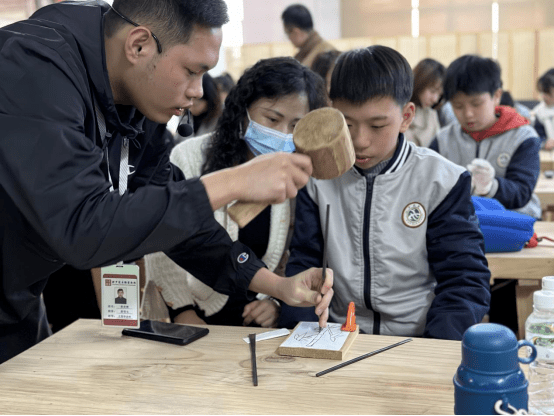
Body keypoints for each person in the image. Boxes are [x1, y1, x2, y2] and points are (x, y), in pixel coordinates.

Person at [0, 0, 333, 364]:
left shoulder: (138, 97)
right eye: (191, 71)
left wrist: (276, 286)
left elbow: (180, 222)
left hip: (19, 298)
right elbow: (81, 227)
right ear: (139, 45)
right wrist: (232, 183)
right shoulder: (35, 68)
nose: (198, 91)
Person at [280, 45, 491, 341]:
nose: (360, 141)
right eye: (347, 124)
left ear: (406, 116)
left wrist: (434, 348)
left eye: (377, 125)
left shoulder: (440, 180)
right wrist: (301, 335)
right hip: (334, 334)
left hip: (417, 337)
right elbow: (305, 261)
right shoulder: (318, 177)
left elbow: (464, 281)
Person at [142, 57, 328, 327]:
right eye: (272, 118)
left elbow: (291, 256)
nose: (282, 134)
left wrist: (274, 301)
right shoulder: (189, 157)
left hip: (253, 322)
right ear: (243, 111)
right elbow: (165, 241)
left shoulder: (296, 171)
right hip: (194, 313)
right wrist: (181, 309)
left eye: (295, 125)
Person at [429, 55, 542, 220]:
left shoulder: (523, 138)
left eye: (476, 104)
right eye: (458, 106)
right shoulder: (443, 140)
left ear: (496, 96)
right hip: (461, 228)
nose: (468, 114)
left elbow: (522, 193)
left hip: (513, 225)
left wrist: (491, 186)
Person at [404, 58, 445, 148]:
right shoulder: (397, 108)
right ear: (420, 83)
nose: (435, 99)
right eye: (432, 91)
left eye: (439, 95)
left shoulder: (431, 115)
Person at [281, 4, 337, 68]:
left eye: (287, 33)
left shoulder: (324, 55)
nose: (289, 38)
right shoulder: (305, 53)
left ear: (296, 32)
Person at [174, 72, 222, 144]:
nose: (191, 108)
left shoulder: (220, 117)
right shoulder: (184, 114)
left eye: (196, 105)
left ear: (210, 102)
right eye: (188, 104)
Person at [532, 68, 554, 150]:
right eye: (542, 92)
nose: (543, 96)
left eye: (547, 92)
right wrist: (544, 143)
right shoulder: (539, 112)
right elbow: (537, 136)